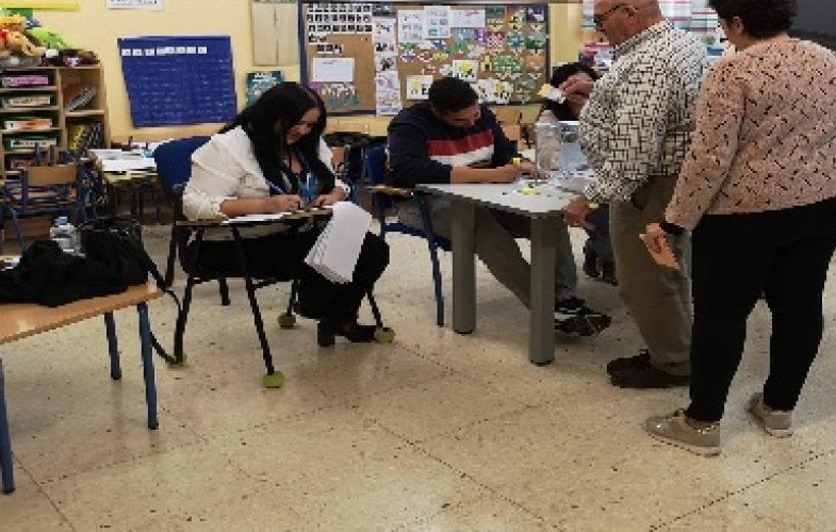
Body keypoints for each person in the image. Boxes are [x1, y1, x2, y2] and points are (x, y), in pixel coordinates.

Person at [635, 0, 836, 455]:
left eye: (723, 26)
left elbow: (709, 158)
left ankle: (701, 424)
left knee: (721, 314)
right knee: (800, 303)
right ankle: (779, 409)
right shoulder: (828, 58)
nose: (724, 36)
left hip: (747, 213)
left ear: (737, 21)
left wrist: (675, 221)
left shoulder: (731, 73)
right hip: (827, 199)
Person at [563, 0, 709, 388]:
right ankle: (680, 348)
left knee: (645, 277)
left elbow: (635, 149)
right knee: (668, 268)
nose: (598, 29)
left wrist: (587, 198)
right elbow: (657, 107)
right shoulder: (679, 44)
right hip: (672, 186)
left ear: (629, 13)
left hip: (649, 191)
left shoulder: (648, 63)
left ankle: (673, 363)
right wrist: (601, 91)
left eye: (601, 19)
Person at [387, 76, 610, 336]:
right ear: (437, 112)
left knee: (549, 220)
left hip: (483, 194)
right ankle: (548, 307)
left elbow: (505, 152)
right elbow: (409, 170)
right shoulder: (409, 124)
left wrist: (521, 164)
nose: (472, 123)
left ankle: (567, 298)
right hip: (422, 202)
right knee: (484, 229)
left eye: (475, 115)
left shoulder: (481, 115)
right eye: (461, 121)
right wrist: (487, 175)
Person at [182, 82, 390, 347]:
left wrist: (334, 195)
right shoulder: (228, 147)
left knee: (374, 249)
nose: (304, 131)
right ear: (274, 116)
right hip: (230, 242)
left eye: (311, 125)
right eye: (299, 123)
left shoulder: (307, 143)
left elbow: (335, 182)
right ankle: (315, 306)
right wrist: (264, 205)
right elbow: (194, 206)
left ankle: (337, 319)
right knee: (324, 258)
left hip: (292, 232)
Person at [541, 61, 615, 284]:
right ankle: (603, 252)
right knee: (601, 220)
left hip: (610, 180)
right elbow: (549, 159)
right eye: (574, 88)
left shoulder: (610, 110)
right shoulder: (551, 116)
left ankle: (603, 252)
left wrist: (591, 109)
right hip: (574, 186)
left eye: (586, 86)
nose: (581, 92)